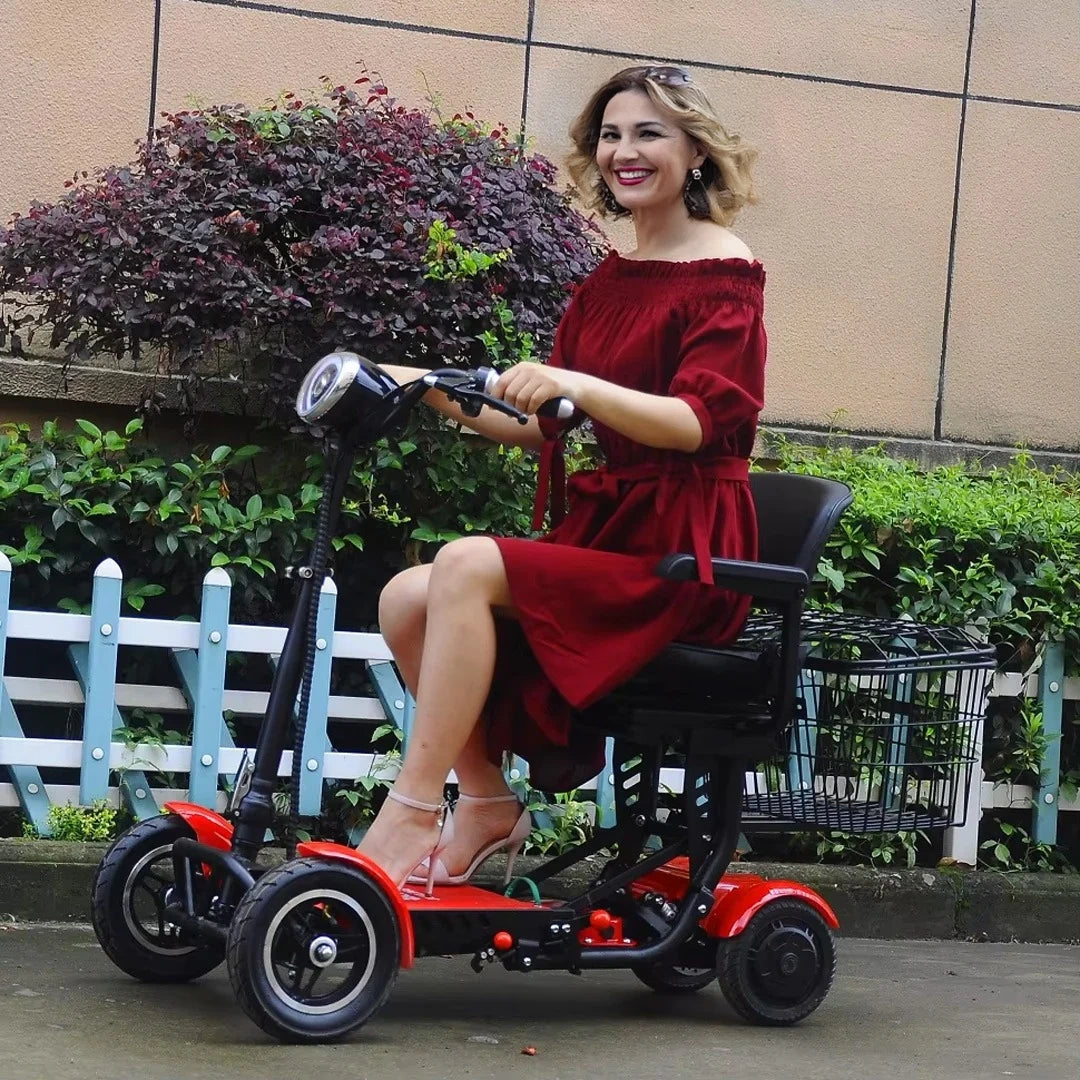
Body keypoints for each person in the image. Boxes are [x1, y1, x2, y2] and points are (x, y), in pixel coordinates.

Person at [362, 64, 766, 893]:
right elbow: (538, 421)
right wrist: (417, 380)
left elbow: (698, 422)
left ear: (695, 152)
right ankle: (482, 799)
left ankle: (408, 809)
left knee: (469, 561)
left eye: (649, 133)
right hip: (614, 536)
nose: (625, 151)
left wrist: (575, 382)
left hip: (684, 555)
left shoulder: (727, 270)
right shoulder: (611, 277)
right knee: (407, 593)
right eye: (611, 134)